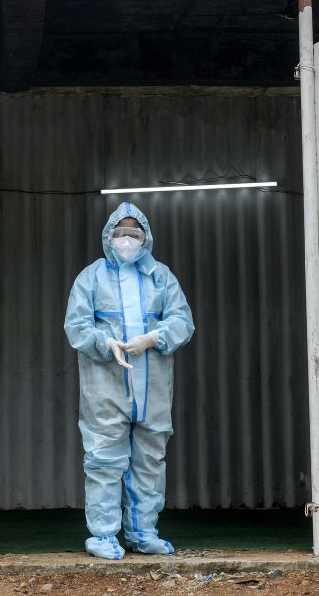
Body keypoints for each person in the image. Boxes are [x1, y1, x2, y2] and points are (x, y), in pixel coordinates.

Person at [64, 202, 195, 559]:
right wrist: (104, 343)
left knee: (150, 461)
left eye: (133, 234)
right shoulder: (90, 277)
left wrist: (153, 337)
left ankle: (143, 532)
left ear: (145, 237)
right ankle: (104, 535)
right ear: (108, 237)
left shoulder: (161, 277)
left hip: (152, 390)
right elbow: (76, 327)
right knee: (104, 459)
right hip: (106, 388)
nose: (126, 240)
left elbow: (183, 321)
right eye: (120, 233)